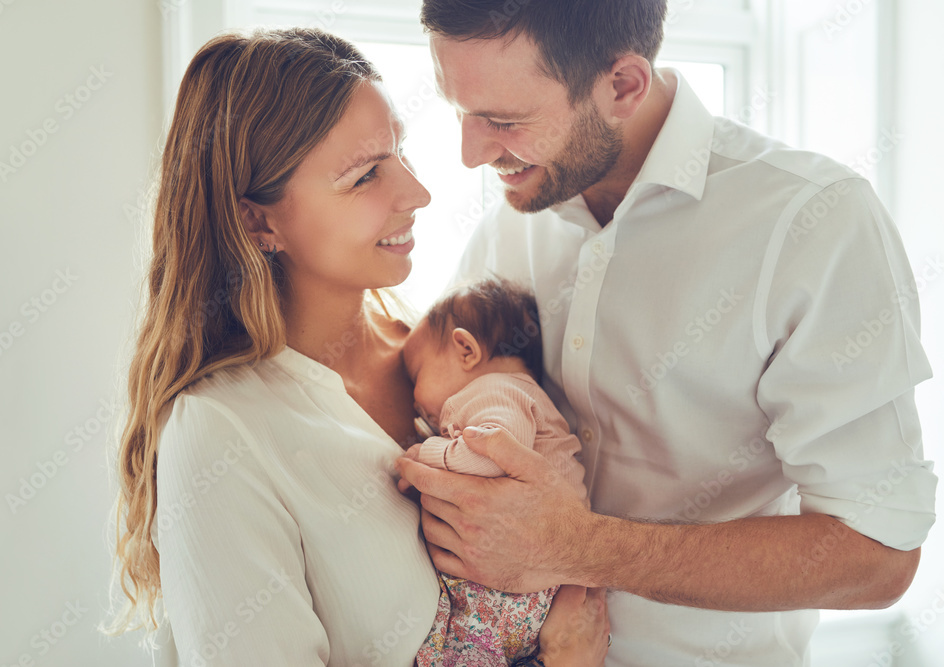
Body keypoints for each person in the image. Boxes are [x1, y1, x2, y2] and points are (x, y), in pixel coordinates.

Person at [396, 1, 939, 665]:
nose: (470, 153)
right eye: (460, 111)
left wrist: (578, 545)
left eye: (504, 121)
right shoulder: (511, 219)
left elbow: (878, 555)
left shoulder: (814, 222)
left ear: (623, 85)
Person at [105, 26, 609, 667]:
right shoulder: (220, 430)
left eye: (400, 155)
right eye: (366, 175)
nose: (417, 195)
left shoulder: (452, 357)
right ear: (260, 221)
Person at [400, 278, 591, 665]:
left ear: (466, 349)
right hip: (531, 587)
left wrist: (425, 453)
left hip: (519, 582)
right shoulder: (511, 394)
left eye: (416, 374)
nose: (415, 402)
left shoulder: (497, 392)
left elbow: (490, 457)